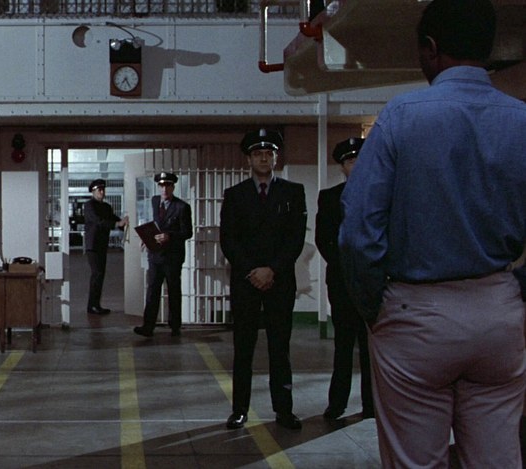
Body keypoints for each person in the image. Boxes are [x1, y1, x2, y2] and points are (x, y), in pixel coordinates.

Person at [339, 0, 526, 466]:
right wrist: (516, 290)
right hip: (499, 311)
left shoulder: (403, 115)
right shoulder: (520, 120)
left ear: (430, 48)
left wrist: (376, 307)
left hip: (415, 313)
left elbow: (358, 233)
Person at [220, 129, 307, 431]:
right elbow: (228, 240)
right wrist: (253, 271)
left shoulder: (293, 192)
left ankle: (284, 410)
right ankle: (239, 410)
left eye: (268, 153)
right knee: (243, 348)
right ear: (249, 159)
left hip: (279, 282)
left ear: (275, 158)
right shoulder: (235, 195)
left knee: (279, 348)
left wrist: (272, 270)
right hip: (246, 282)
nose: (263, 158)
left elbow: (295, 239)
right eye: (257, 154)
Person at [315, 137, 373, 421]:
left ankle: (372, 405)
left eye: (361, 159)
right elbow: (324, 240)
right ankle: (337, 404)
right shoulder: (329, 198)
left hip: (373, 282)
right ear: (342, 167)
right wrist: (349, 267)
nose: (356, 165)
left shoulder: (381, 194)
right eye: (350, 161)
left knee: (370, 346)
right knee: (343, 345)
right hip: (341, 281)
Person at [133, 172, 193, 337]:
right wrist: (147, 238)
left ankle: (175, 326)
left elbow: (187, 232)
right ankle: (148, 326)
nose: (164, 189)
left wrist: (169, 236)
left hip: (172, 256)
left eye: (167, 185)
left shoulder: (182, 207)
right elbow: (156, 224)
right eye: (161, 185)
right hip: (155, 254)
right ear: (158, 187)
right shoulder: (154, 201)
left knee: (173, 290)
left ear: (173, 187)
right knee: (152, 290)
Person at [84, 178, 128, 315]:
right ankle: (92, 306)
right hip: (92, 246)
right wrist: (117, 224)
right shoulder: (89, 205)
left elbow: (114, 219)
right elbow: (98, 221)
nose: (102, 192)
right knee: (97, 274)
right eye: (99, 190)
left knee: (100, 274)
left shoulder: (107, 207)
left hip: (102, 245)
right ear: (93, 191)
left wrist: (125, 223)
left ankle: (95, 304)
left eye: (103, 189)